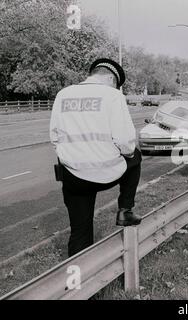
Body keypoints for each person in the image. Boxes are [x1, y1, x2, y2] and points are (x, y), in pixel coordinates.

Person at [49, 58, 142, 257]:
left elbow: (55, 137)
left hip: (73, 176)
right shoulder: (113, 95)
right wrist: (119, 154)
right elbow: (126, 141)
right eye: (116, 84)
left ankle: (79, 280)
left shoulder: (63, 95)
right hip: (105, 172)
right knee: (136, 156)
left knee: (80, 231)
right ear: (110, 78)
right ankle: (125, 209)